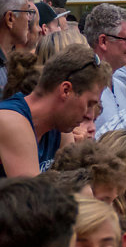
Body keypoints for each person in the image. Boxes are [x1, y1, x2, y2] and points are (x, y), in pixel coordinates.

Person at [0, 44, 109, 177]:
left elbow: (78, 188)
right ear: (66, 91)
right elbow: (31, 196)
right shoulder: (11, 121)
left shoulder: (60, 127)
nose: (90, 114)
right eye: (89, 103)